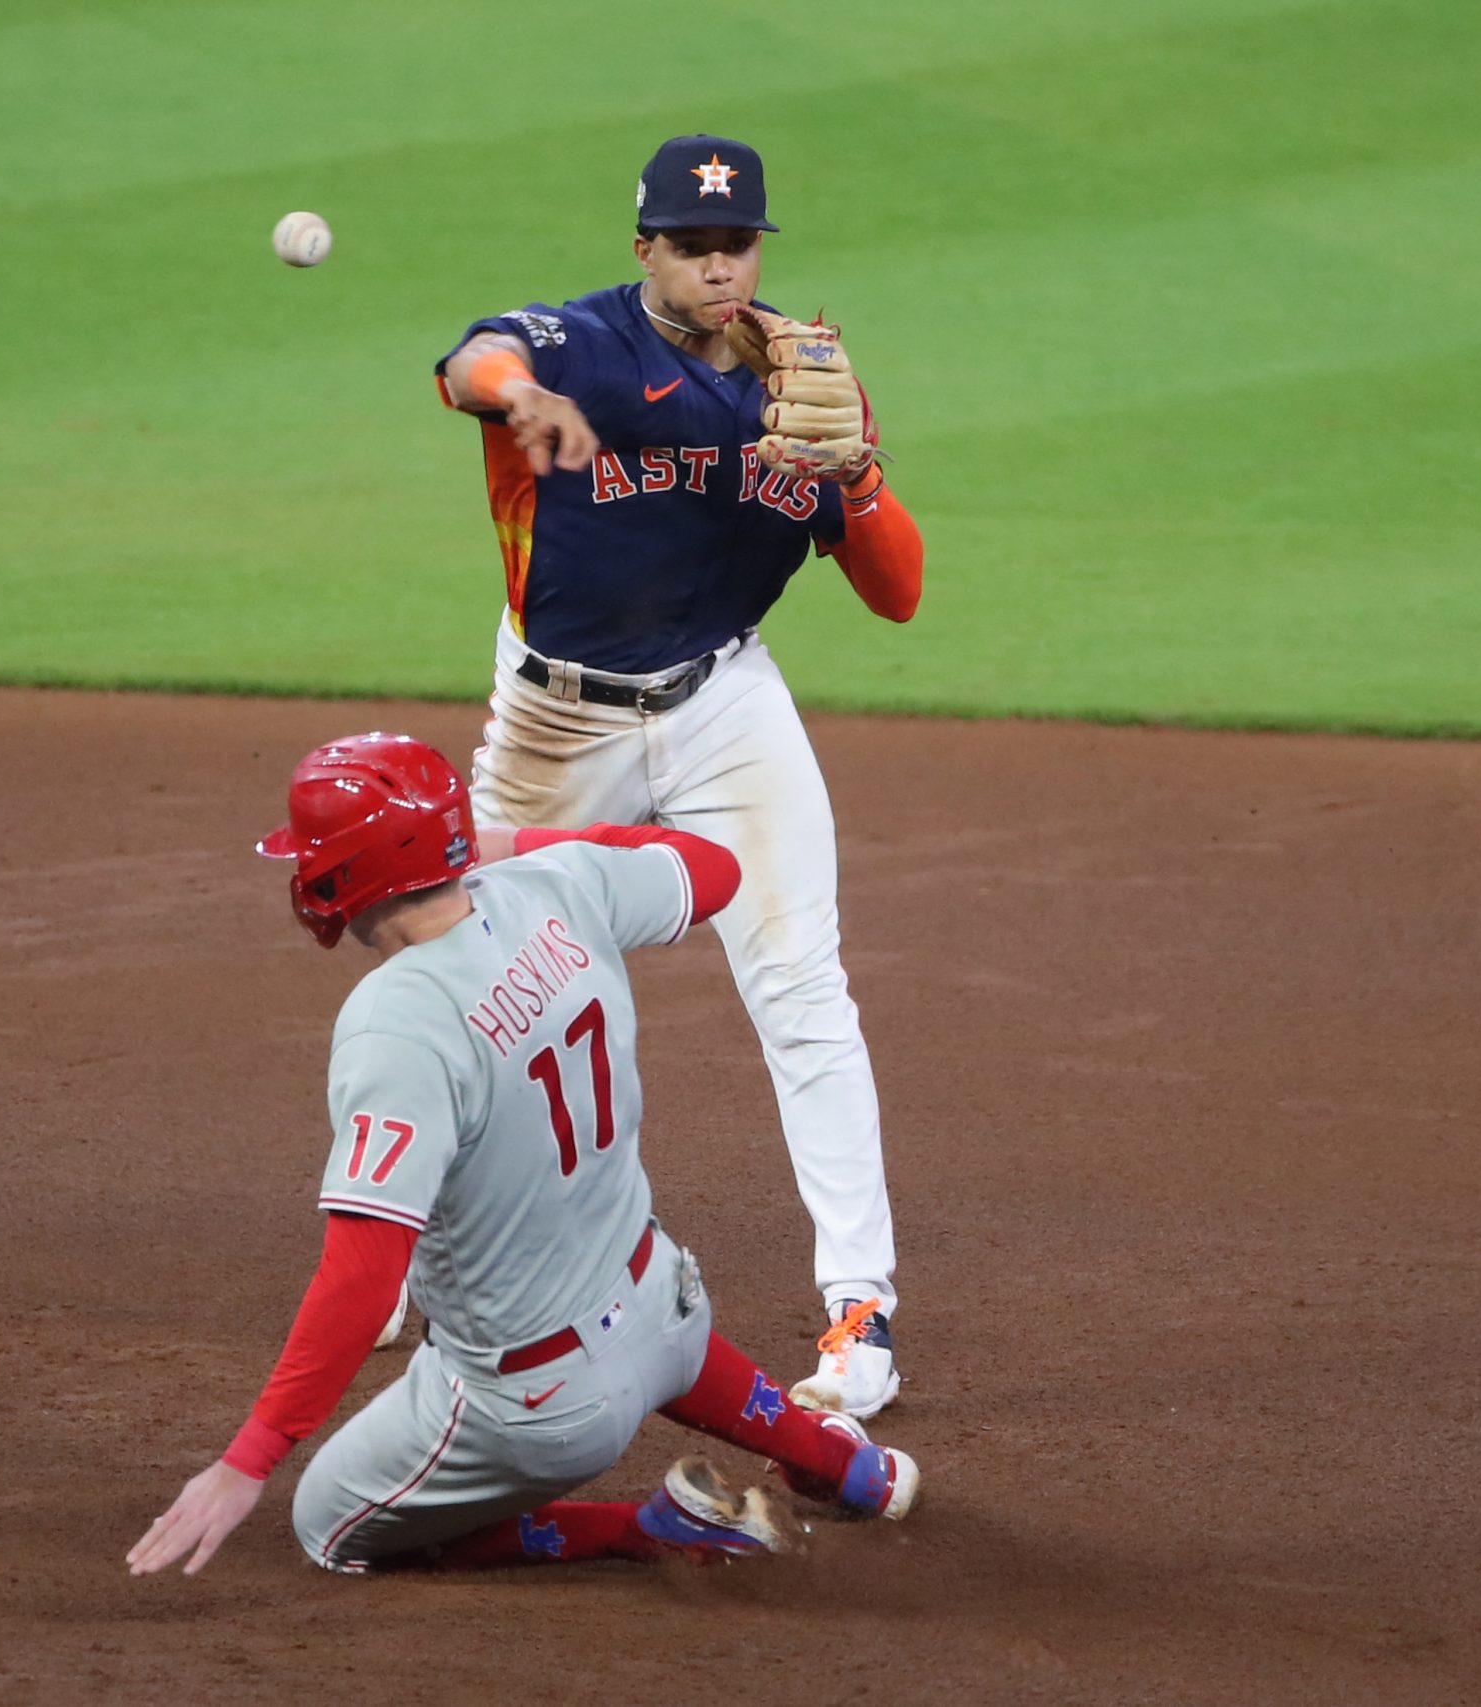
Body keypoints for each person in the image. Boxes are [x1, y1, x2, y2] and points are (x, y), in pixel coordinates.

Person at [125, 734, 918, 1577]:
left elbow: (361, 1279)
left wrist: (245, 1461)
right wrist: (511, 847)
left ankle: (639, 1528)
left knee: (325, 1522)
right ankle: (847, 1468)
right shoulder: (557, 885)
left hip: (544, 1411)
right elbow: (713, 868)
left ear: (341, 875)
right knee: (632, 1291)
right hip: (665, 1301)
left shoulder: (396, 1022)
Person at [430, 133, 925, 1418]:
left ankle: (859, 1311)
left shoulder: (804, 385)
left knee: (801, 983)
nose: (717, 265)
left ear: (760, 248)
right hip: (555, 725)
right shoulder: (576, 344)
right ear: (643, 247)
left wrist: (854, 475)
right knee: (466, 982)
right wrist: (518, 397)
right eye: (690, 244)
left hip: (723, 705)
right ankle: (421, 1259)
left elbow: (900, 596)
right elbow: (463, 362)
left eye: (736, 243)